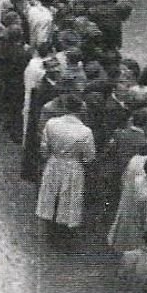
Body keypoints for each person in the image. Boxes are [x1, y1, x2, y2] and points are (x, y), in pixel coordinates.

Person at [36, 95, 96, 248]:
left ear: (64, 108)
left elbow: (43, 148)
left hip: (54, 163)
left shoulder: (52, 124)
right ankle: (64, 234)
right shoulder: (85, 132)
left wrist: (50, 157)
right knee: (68, 199)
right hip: (73, 167)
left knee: (51, 196)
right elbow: (89, 157)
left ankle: (50, 232)